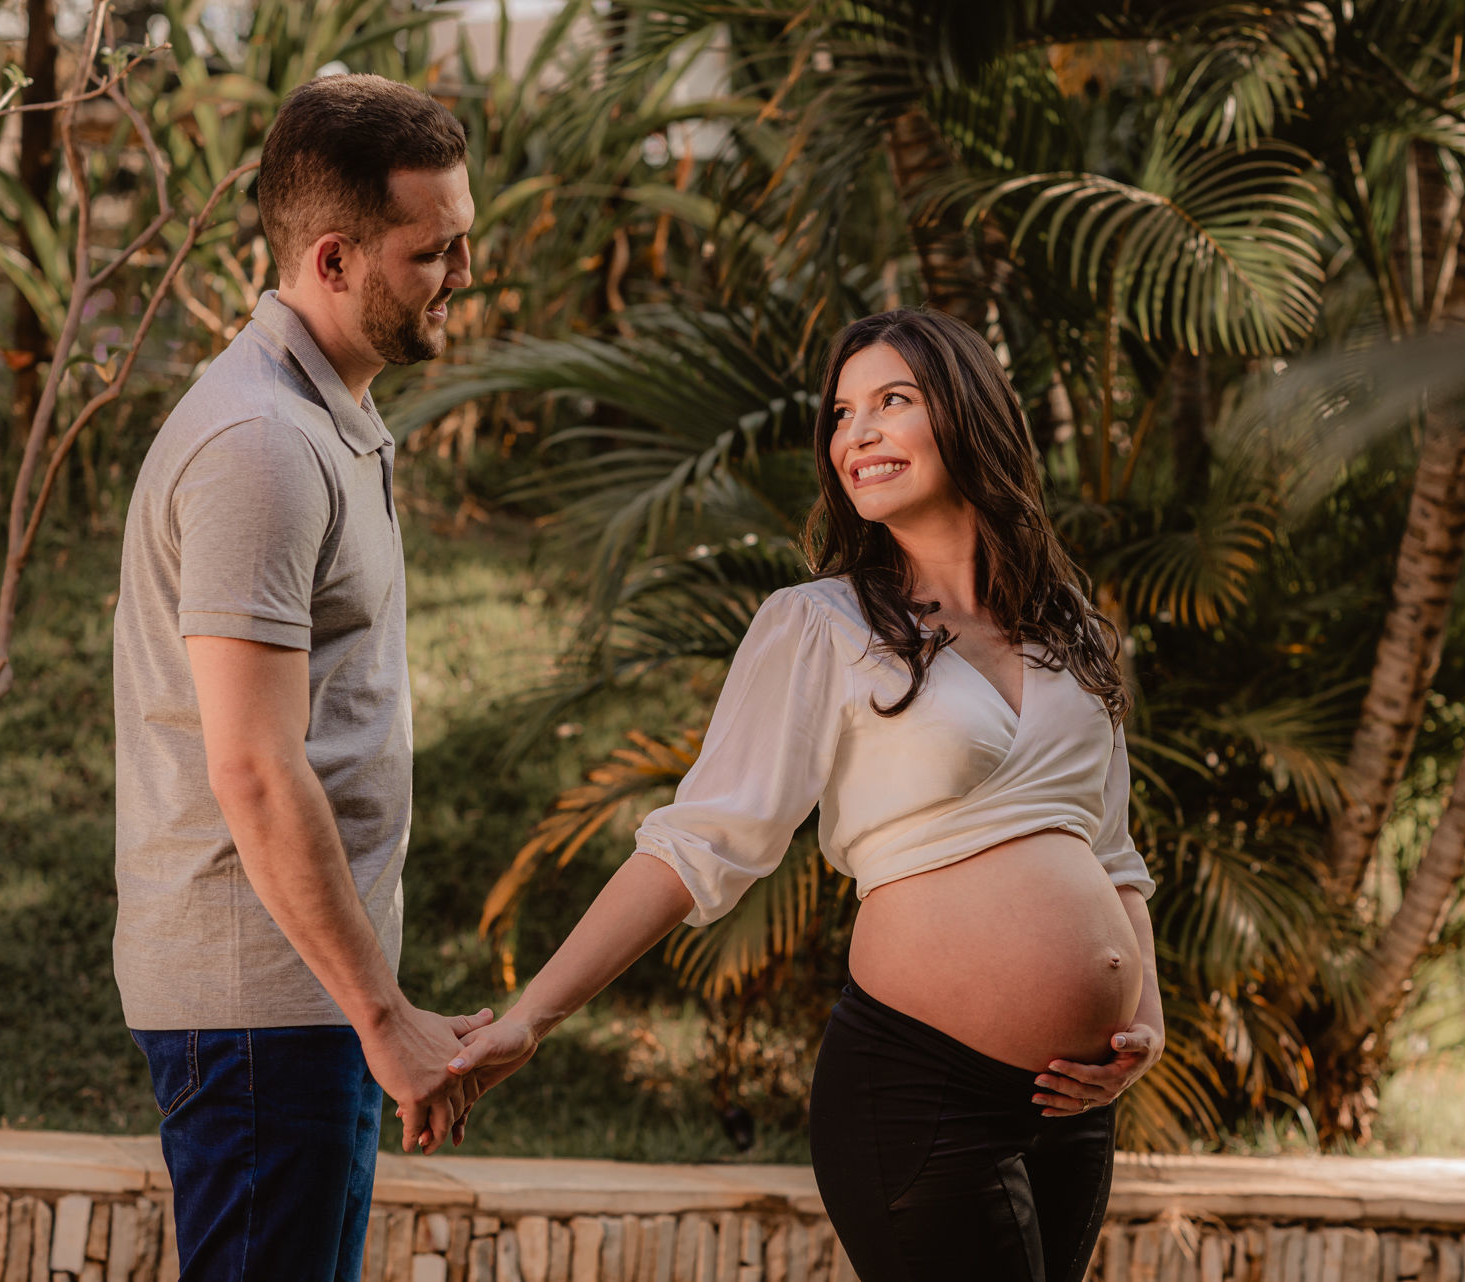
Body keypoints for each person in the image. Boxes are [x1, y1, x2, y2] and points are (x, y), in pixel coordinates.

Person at [444, 308, 1165, 1282]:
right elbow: (699, 842)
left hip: (1072, 1106)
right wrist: (535, 1012)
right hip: (919, 1085)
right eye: (841, 413)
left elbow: (1113, 855)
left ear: (971, 416)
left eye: (892, 402)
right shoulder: (820, 625)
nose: (857, 433)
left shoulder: (1071, 627)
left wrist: (1146, 1020)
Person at [111, 74, 487, 1282]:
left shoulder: (325, 418)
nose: (463, 275)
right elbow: (257, 768)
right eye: (434, 252)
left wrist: (374, 1002)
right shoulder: (262, 447)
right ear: (333, 257)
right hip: (259, 1011)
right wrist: (383, 1020)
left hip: (305, 999)